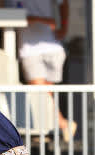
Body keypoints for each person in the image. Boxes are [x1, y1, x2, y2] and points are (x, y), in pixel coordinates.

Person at [12, 0, 76, 140]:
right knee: (42, 93)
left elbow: (63, 3)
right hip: (30, 51)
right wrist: (42, 20)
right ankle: (61, 124)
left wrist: (64, 27)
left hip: (53, 48)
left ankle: (49, 129)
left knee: (45, 95)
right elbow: (15, 17)